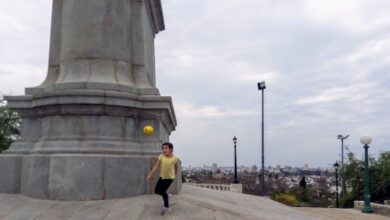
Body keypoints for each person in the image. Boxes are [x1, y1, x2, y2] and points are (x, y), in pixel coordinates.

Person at [147, 142, 179, 215]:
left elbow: (176, 167)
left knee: (163, 192)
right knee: (157, 191)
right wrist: (150, 174)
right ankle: (167, 195)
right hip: (162, 177)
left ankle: (167, 207)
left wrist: (175, 174)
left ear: (171, 149)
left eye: (166, 148)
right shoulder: (161, 156)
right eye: (163, 148)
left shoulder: (174, 159)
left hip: (169, 178)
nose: (164, 150)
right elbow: (156, 166)